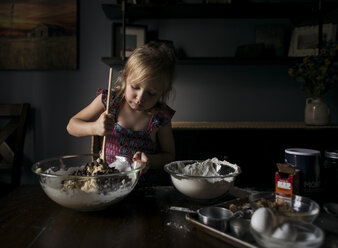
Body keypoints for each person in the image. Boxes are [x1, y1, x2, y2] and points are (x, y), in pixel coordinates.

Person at [66, 41, 176, 173]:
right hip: (106, 180)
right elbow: (71, 126)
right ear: (125, 77)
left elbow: (169, 156)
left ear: (162, 92)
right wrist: (94, 127)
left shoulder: (160, 116)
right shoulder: (110, 102)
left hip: (141, 185)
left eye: (151, 93)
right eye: (135, 87)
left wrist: (150, 160)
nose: (140, 98)